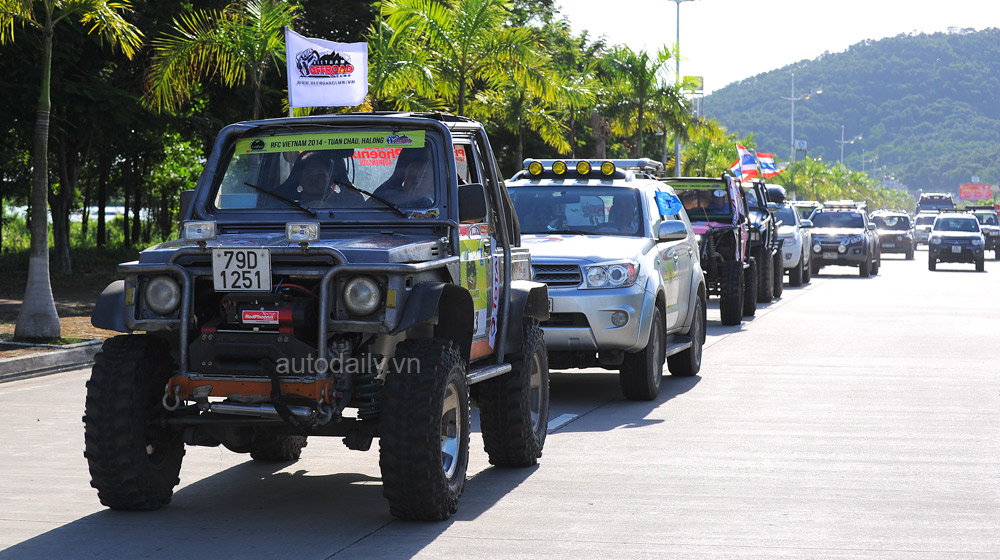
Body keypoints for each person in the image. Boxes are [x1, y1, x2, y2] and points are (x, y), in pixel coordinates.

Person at [278, 151, 363, 207]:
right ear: (300, 180)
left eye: (320, 174)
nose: (314, 179)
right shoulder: (283, 210)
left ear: (331, 180)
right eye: (308, 174)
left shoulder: (348, 209)